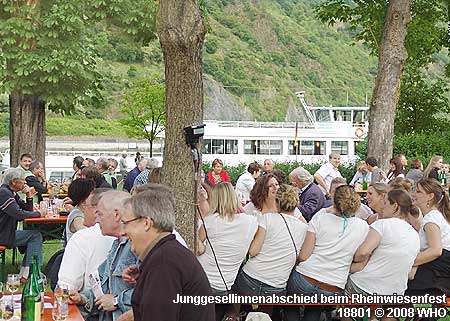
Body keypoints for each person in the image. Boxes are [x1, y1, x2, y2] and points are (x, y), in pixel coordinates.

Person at [120, 185, 214, 321]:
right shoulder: (165, 254)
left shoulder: (163, 261)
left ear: (146, 223)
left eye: (126, 223)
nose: (123, 232)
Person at [285, 185, 368, 321]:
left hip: (305, 278)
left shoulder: (320, 218)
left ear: (334, 202)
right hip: (332, 286)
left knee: (292, 304)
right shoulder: (363, 226)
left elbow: (304, 255)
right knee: (315, 309)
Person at [232, 185, 307, 318]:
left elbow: (253, 251)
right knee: (266, 316)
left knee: (237, 303)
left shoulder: (267, 219)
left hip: (251, 278)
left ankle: (235, 316)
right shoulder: (304, 228)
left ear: (277, 202)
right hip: (276, 285)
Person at [69, 190, 139, 321]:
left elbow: (156, 292)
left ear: (116, 214)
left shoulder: (137, 245)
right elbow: (102, 286)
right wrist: (83, 298)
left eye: (100, 214)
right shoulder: (116, 244)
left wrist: (117, 301)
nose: (96, 220)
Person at [197, 182, 257, 321]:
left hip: (202, 281)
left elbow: (198, 248)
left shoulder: (211, 221)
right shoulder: (250, 222)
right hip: (225, 284)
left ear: (215, 199)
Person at [348, 189, 420, 296]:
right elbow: (410, 274)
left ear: (395, 206)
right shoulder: (415, 235)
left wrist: (351, 260)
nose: (382, 207)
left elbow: (363, 252)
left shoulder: (383, 224)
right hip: (395, 294)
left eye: (385, 203)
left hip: (365, 286)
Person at [58, 189, 115, 292]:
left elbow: (67, 287)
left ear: (96, 210)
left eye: (85, 206)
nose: (82, 210)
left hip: (86, 305)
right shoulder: (128, 237)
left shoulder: (82, 238)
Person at [408, 178, 450, 295]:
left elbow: (436, 250)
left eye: (418, 191)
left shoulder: (431, 219)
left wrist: (408, 262)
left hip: (439, 276)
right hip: (437, 272)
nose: (414, 194)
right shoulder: (436, 215)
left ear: (430, 196)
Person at [0, 168, 43, 280]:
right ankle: (27, 272)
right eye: (22, 181)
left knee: (34, 234)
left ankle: (26, 271)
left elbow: (26, 210)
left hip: (5, 232)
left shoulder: (11, 192)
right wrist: (39, 214)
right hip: (3, 235)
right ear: (14, 181)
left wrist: (29, 196)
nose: (25, 183)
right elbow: (19, 215)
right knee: (35, 235)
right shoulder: (4, 193)